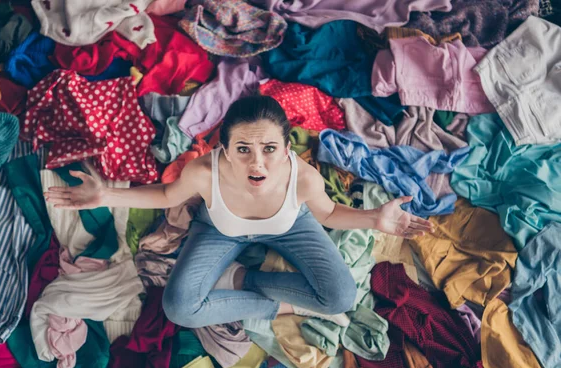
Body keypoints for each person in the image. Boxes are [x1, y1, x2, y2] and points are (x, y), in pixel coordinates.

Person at [45, 95, 433, 328]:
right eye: (243, 149)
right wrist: (107, 195)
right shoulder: (202, 171)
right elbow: (165, 195)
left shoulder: (304, 178)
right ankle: (269, 300)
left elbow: (329, 214)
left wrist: (375, 219)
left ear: (286, 149)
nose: (257, 164)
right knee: (178, 307)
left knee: (341, 297)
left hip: (289, 227)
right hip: (219, 230)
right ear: (224, 150)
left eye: (269, 149)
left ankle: (243, 278)